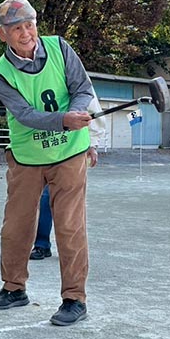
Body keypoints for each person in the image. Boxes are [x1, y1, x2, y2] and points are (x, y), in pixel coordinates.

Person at [0, 0, 96, 326]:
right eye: (16, 28)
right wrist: (64, 118)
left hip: (69, 153)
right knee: (16, 227)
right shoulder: (0, 73)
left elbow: (82, 88)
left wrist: (76, 111)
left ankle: (74, 298)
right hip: (27, 156)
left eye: (29, 25)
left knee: (69, 226)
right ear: (2, 34)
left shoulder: (60, 48)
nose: (25, 33)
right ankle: (14, 288)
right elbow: (26, 114)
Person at [30, 95, 105, 260]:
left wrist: (92, 144)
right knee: (43, 199)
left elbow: (94, 110)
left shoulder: (76, 76)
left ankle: (70, 250)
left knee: (69, 203)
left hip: (72, 149)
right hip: (43, 148)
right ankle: (42, 244)